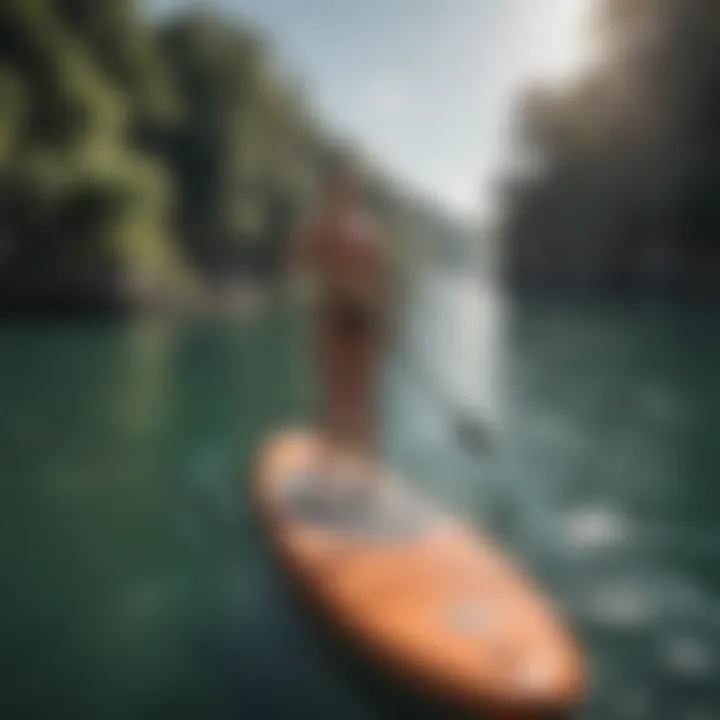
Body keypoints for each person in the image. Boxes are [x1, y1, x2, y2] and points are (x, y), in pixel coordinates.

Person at [289, 156, 389, 501]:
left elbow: (379, 282)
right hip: (333, 320)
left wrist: (383, 325)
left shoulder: (368, 231)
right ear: (333, 191)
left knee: (364, 401)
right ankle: (325, 475)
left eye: (352, 188)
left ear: (358, 193)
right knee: (332, 398)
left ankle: (367, 478)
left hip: (364, 324)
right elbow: (301, 262)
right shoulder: (321, 230)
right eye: (342, 188)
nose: (347, 194)